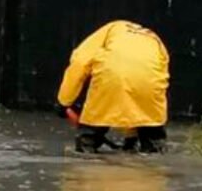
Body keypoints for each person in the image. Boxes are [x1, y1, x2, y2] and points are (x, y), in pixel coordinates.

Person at [57, 20, 170, 154]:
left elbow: (80, 64)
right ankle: (151, 147)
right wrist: (131, 137)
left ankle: (87, 147)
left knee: (87, 142)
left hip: (110, 79)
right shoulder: (154, 39)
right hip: (151, 87)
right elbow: (139, 86)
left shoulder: (109, 30)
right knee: (154, 148)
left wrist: (64, 102)